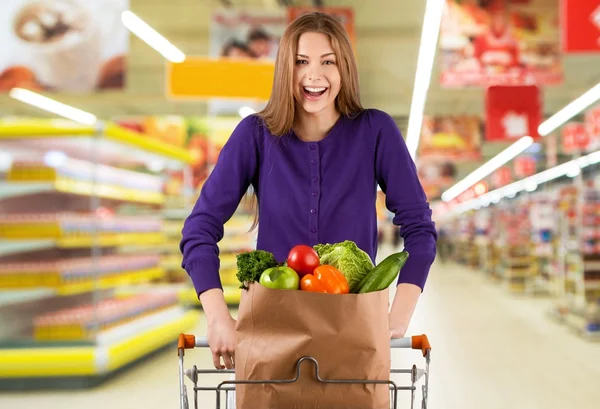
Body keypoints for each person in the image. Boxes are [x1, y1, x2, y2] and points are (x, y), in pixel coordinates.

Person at [180, 12, 437, 371]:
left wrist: (397, 316)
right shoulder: (255, 135)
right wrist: (218, 317)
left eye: (327, 62)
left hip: (355, 328)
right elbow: (199, 228)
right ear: (286, 69)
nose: (314, 75)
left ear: (344, 69)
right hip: (273, 329)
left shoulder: (375, 131)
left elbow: (419, 229)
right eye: (301, 62)